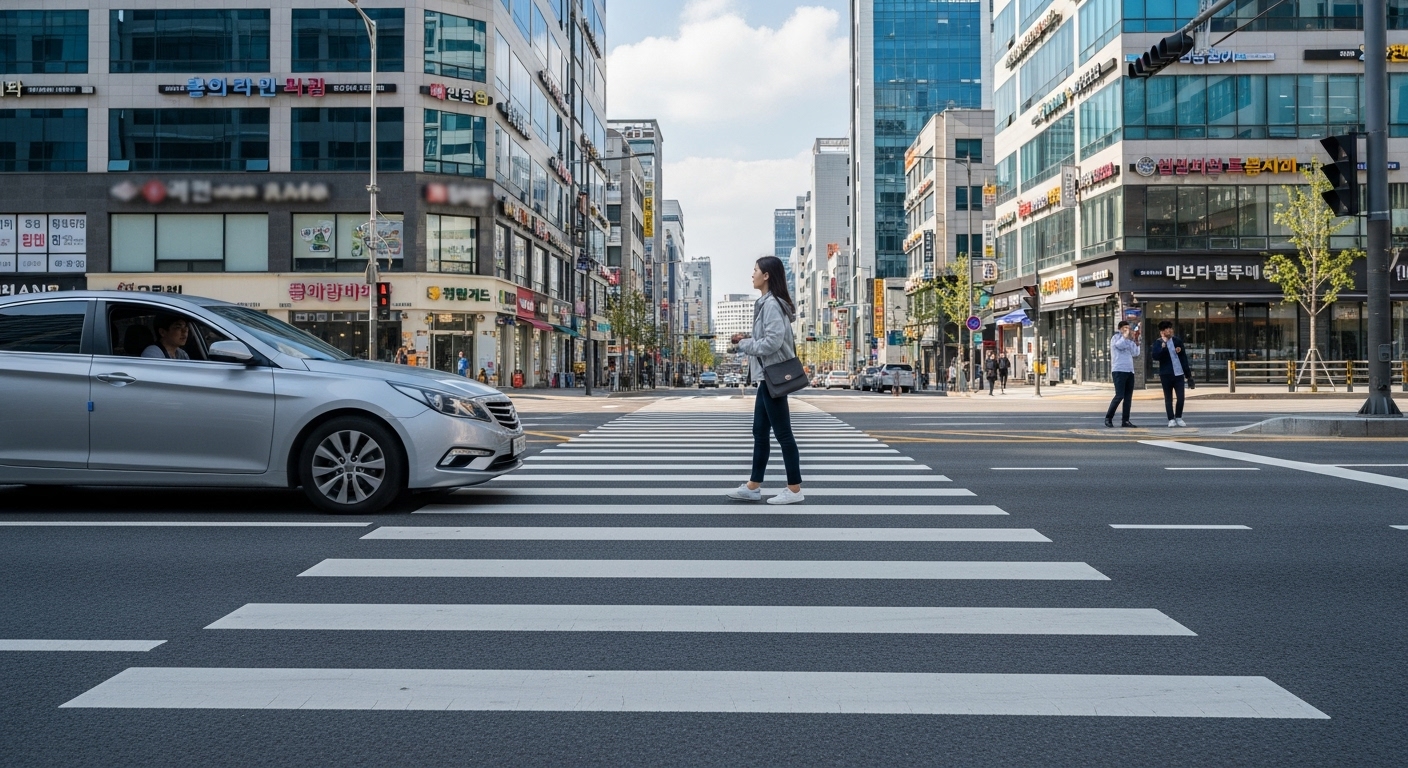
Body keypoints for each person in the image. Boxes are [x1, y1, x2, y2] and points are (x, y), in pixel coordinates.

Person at [728, 255, 804, 505]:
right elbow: (769, 336)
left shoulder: (771, 304)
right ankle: (753, 486)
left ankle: (794, 489)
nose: (752, 274)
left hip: (773, 376)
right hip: (767, 377)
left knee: (783, 434)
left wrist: (744, 344)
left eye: (755, 270)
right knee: (760, 432)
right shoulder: (766, 303)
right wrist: (747, 338)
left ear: (767, 275)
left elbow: (772, 342)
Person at [1152, 320, 1193, 427]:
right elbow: (1155, 356)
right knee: (1168, 397)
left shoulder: (1177, 341)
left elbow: (1184, 358)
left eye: (1171, 328)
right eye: (1168, 329)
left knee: (1181, 397)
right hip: (1166, 374)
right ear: (1162, 331)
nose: (1170, 330)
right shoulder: (1158, 342)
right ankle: (1171, 418)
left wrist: (1189, 376)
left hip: (1179, 373)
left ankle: (1178, 417)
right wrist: (1163, 348)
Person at [1105, 320, 1142, 428]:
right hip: (1119, 370)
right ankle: (1108, 418)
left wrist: (1136, 341)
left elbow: (1136, 353)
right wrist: (1125, 336)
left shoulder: (1129, 341)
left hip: (1129, 370)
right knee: (1119, 395)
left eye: (1128, 328)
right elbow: (1119, 345)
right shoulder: (1116, 338)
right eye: (1125, 328)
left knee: (1128, 397)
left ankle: (1125, 420)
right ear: (1120, 329)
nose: (1127, 330)